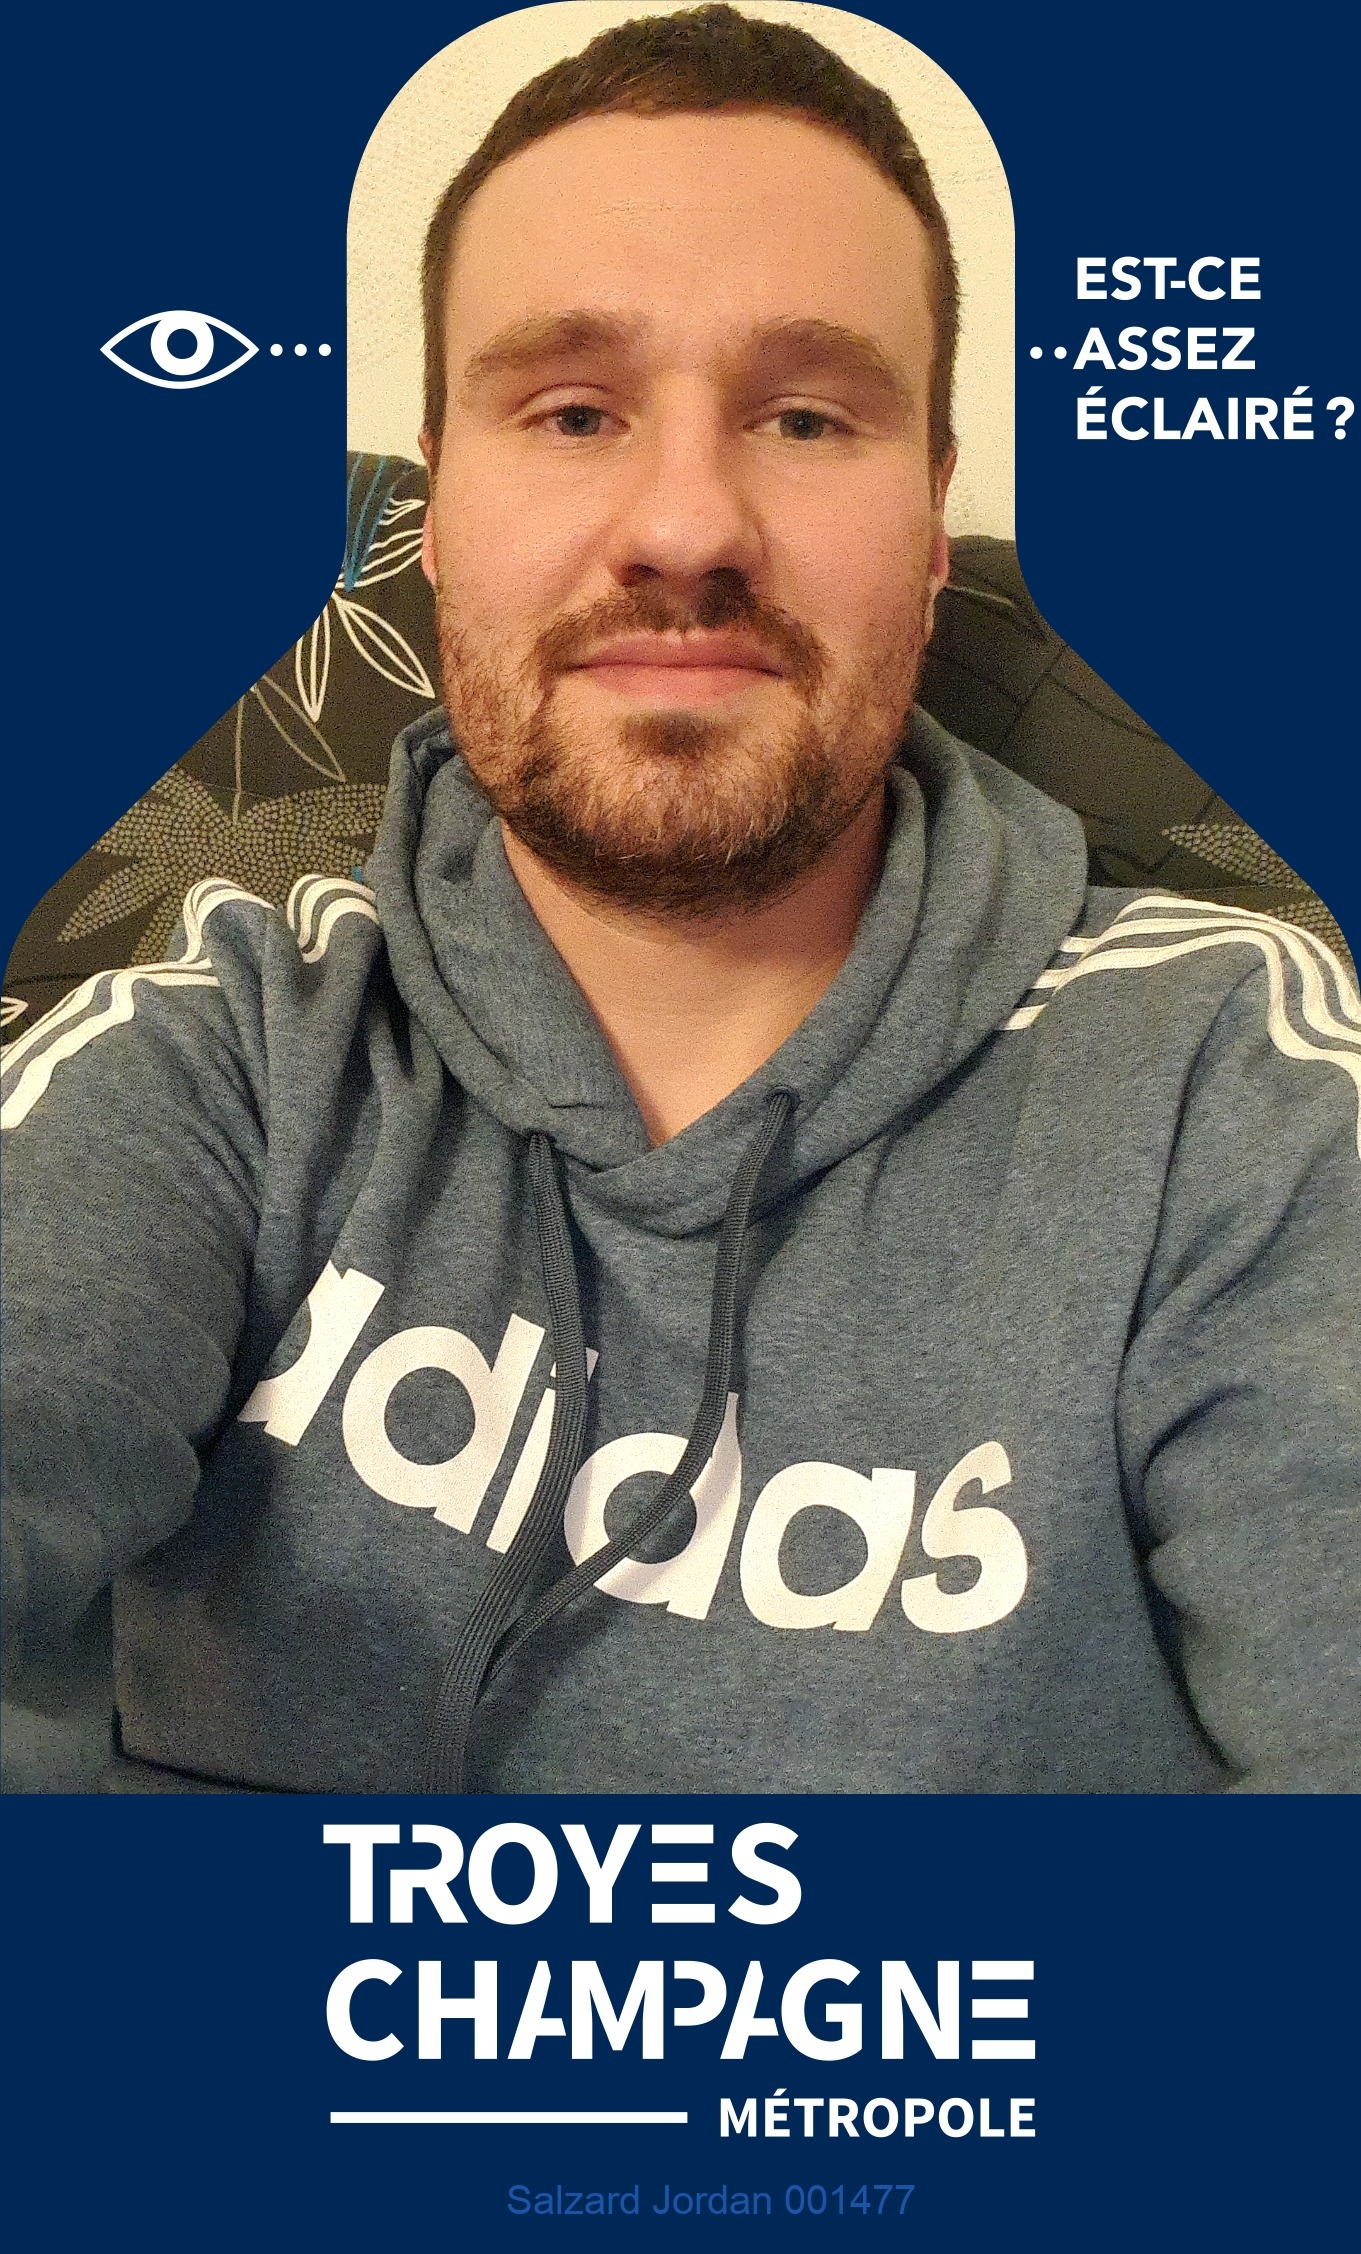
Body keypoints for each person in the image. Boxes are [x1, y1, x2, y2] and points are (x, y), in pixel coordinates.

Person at [3, 6, 1358, 1796]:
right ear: (436, 511)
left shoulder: (1237, 1091)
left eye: (804, 415)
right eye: (573, 411)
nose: (687, 526)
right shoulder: (218, 1054)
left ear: (930, 526)